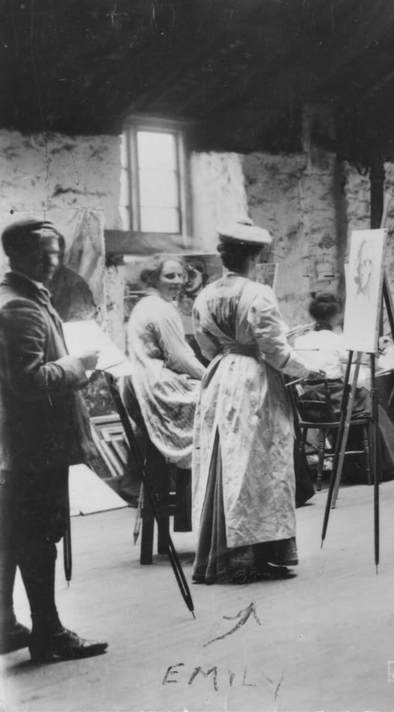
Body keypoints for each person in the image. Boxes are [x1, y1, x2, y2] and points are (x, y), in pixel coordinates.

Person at [190, 219, 322, 585]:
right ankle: (254, 553)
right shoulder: (258, 293)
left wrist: (231, 351)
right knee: (258, 466)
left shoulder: (203, 296)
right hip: (253, 381)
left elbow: (205, 347)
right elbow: (275, 350)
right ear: (255, 255)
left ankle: (238, 552)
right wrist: (305, 369)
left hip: (219, 379)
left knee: (227, 464)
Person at [0, 218, 108, 662]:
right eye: (44, 253)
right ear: (19, 255)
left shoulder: (24, 298)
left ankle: (6, 626)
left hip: (21, 444)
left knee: (13, 534)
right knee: (39, 536)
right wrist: (77, 365)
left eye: (57, 252)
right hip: (33, 443)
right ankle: (50, 633)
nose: (53, 261)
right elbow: (26, 381)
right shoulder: (19, 306)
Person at [293, 292, 394, 482]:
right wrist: (378, 349)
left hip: (311, 402)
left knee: (359, 396)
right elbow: (359, 357)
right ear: (335, 316)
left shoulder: (300, 340)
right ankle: (381, 464)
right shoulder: (335, 340)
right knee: (370, 404)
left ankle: (354, 465)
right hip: (333, 399)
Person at [125, 257, 205, 472]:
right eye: (169, 276)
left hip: (141, 381)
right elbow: (179, 358)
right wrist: (210, 376)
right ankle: (200, 478)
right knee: (217, 399)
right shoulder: (161, 308)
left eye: (181, 276)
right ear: (153, 279)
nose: (178, 281)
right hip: (156, 384)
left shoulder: (145, 304)